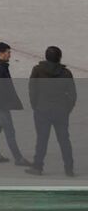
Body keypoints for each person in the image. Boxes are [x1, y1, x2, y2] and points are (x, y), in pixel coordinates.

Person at [26, 46, 76, 176]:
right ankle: (69, 169)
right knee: (64, 140)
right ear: (59, 57)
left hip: (42, 110)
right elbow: (72, 95)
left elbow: (32, 90)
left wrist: (36, 106)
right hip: (61, 111)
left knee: (41, 139)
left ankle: (38, 167)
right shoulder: (66, 73)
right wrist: (66, 110)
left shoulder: (37, 70)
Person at [0, 42, 30, 166]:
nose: (10, 55)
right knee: (9, 131)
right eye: (8, 52)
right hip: (0, 106)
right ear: (1, 53)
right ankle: (18, 158)